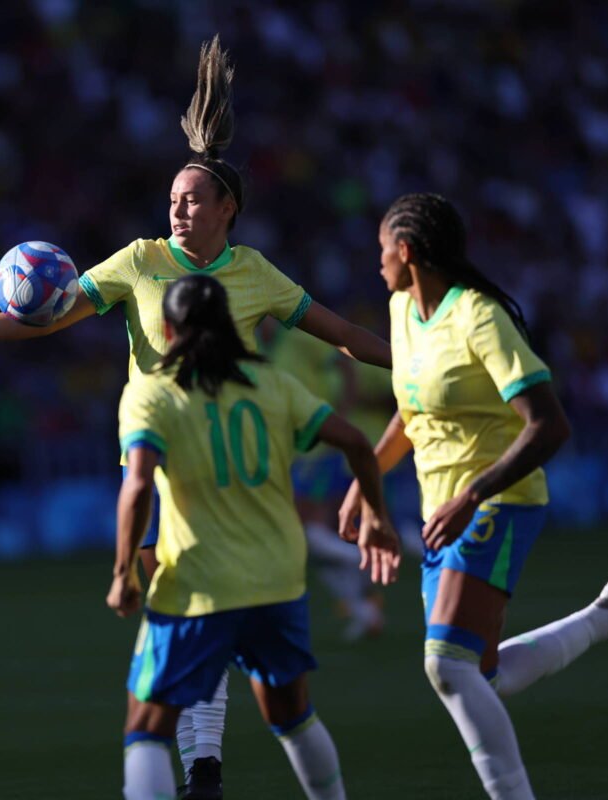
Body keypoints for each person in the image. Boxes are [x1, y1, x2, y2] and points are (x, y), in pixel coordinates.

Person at [0, 36, 392, 798]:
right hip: (163, 452)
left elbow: (348, 337)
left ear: (229, 207)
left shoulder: (255, 273)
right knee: (208, 613)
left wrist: (417, 361)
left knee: (194, 610)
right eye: (172, 200)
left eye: (193, 199)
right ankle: (204, 769)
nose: (179, 209)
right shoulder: (139, 261)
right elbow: (47, 317)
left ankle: (199, 767)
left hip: (224, 452)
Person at [338, 193, 608, 800]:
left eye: (382, 251)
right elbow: (410, 411)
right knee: (484, 675)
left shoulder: (480, 318)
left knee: (445, 665)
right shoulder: (403, 309)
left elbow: (549, 425)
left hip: (498, 502)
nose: (376, 263)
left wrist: (473, 493)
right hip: (443, 513)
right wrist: (366, 477)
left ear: (405, 252)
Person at [106, 274, 400, 800]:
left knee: (145, 728)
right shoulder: (272, 385)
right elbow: (357, 443)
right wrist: (375, 515)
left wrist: (124, 571)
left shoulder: (150, 393)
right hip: (278, 582)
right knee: (294, 717)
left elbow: (136, 488)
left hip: (197, 582)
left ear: (168, 330)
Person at [261, 322, 386, 642]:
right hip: (290, 449)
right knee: (309, 538)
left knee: (303, 530)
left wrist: (341, 414)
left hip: (315, 444)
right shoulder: (260, 346)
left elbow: (344, 362)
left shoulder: (299, 337)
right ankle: (363, 609)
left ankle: (360, 558)